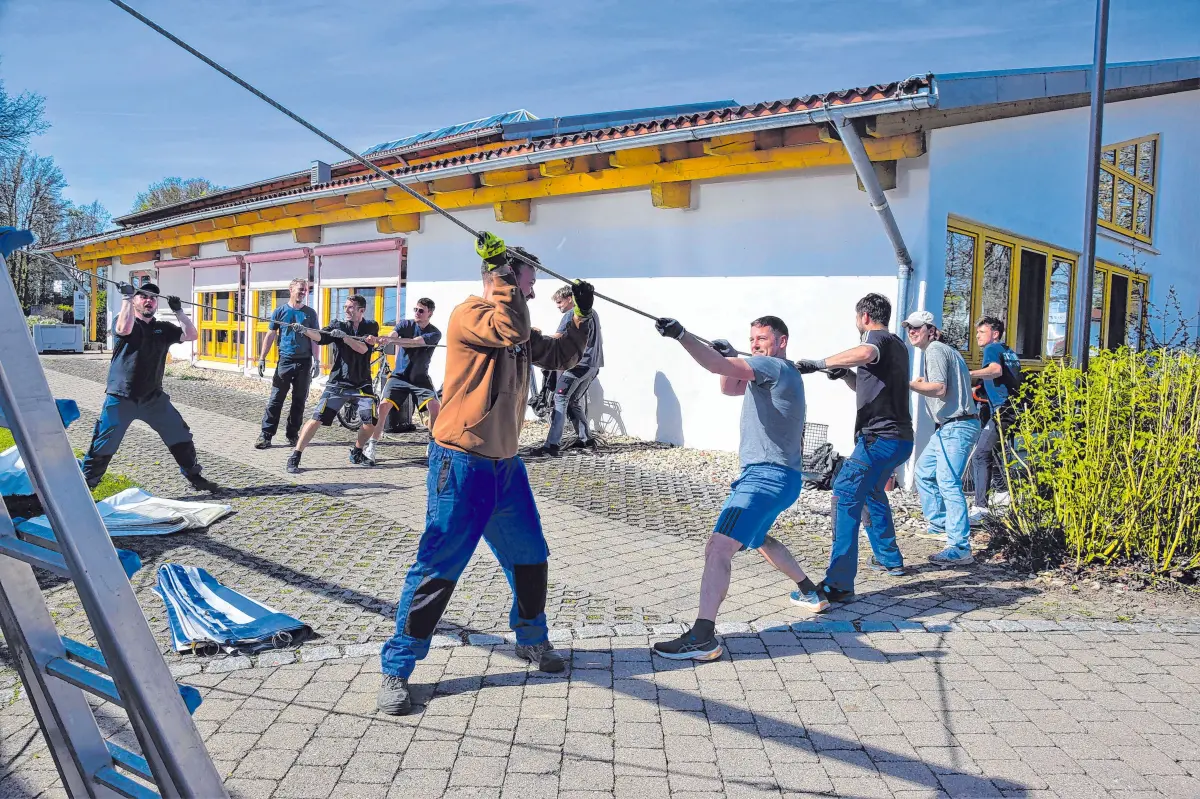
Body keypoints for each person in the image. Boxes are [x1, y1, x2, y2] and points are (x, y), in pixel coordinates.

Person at [377, 234, 594, 716]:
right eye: (528, 281)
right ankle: (397, 667)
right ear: (506, 279)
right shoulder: (470, 315)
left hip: (506, 467)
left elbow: (561, 356)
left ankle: (532, 640)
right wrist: (500, 273)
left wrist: (582, 316)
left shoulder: (512, 324)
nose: (534, 291)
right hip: (461, 464)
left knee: (530, 556)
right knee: (438, 567)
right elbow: (512, 327)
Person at [650, 315, 829, 661]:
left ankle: (702, 636)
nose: (756, 344)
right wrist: (732, 356)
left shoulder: (774, 367)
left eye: (763, 338)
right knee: (758, 538)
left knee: (718, 547)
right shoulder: (771, 371)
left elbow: (715, 365)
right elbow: (729, 385)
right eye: (752, 339)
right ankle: (810, 591)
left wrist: (682, 335)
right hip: (780, 479)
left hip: (764, 477)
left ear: (782, 341)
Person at [795, 292, 913, 601]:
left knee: (845, 492)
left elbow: (863, 352)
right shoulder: (899, 346)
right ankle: (889, 559)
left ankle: (839, 583)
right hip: (899, 440)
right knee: (871, 491)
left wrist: (819, 362)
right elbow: (868, 383)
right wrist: (845, 374)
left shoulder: (876, 338)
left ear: (864, 317)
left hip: (878, 438)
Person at [81, 282, 220, 493]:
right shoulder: (124, 320)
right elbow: (124, 329)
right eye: (143, 296)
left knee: (180, 434)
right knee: (104, 441)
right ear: (135, 301)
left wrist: (179, 311)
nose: (149, 300)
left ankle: (194, 476)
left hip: (153, 398)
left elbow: (191, 335)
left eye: (153, 298)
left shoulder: (163, 329)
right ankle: (86, 484)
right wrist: (126, 298)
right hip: (121, 396)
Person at [903, 311, 981, 566]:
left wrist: (909, 384)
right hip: (948, 426)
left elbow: (939, 388)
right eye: (908, 328)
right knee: (924, 472)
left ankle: (959, 547)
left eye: (916, 327)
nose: (911, 332)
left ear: (931, 329)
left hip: (958, 426)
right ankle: (941, 525)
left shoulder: (935, 350)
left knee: (948, 482)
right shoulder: (944, 351)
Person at [285, 294, 380, 473]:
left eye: (351, 307)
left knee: (370, 421)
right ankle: (296, 455)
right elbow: (320, 337)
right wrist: (304, 330)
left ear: (361, 310)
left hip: (362, 384)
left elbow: (363, 349)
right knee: (317, 419)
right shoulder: (338, 325)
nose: (346, 310)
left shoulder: (371, 327)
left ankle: (357, 451)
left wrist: (344, 338)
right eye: (345, 307)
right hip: (338, 383)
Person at [530, 284, 604, 456]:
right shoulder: (593, 312)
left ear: (570, 299)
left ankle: (552, 445)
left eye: (559, 302)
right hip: (594, 365)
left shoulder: (572, 314)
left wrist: (535, 340)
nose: (558, 306)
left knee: (560, 399)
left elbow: (558, 340)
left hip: (578, 365)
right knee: (574, 401)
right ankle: (585, 439)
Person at [366, 297, 442, 464]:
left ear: (430, 313)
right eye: (415, 309)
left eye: (421, 311)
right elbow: (393, 334)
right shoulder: (405, 325)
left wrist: (392, 340)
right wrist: (382, 339)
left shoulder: (435, 333)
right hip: (399, 376)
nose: (417, 313)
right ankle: (371, 445)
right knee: (383, 407)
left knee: (435, 406)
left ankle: (432, 443)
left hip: (420, 378)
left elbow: (415, 343)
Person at [967, 316, 1022, 523]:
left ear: (995, 334)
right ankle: (1003, 499)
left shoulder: (992, 349)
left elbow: (995, 370)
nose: (978, 336)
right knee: (997, 453)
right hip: (1013, 409)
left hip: (1003, 411)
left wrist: (968, 373)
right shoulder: (1009, 352)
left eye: (982, 332)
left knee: (980, 455)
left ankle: (981, 509)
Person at [255, 278, 319, 450]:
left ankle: (292, 434)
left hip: (304, 362)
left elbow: (315, 338)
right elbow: (270, 335)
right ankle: (266, 435)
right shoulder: (280, 312)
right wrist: (262, 358)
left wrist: (317, 360)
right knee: (276, 399)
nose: (303, 292)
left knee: (299, 401)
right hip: (285, 361)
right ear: (291, 289)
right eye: (300, 289)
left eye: (305, 290)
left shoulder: (310, 314)